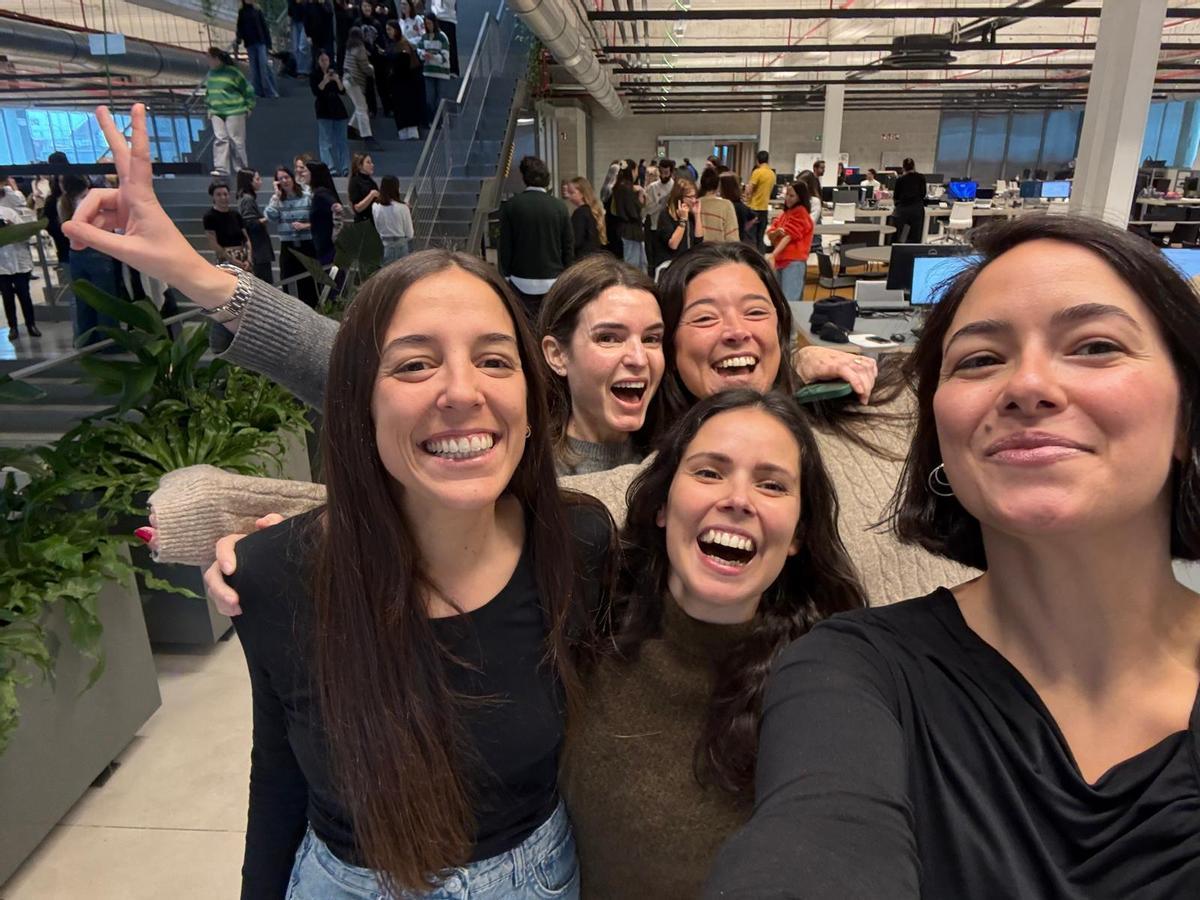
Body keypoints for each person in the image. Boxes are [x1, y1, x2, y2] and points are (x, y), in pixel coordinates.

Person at [706, 215, 1200, 898]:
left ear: (1186, 415)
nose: (1027, 384)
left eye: (1094, 346)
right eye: (979, 359)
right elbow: (817, 842)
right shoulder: (852, 674)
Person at [226, 248, 608, 897]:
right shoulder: (273, 574)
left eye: (494, 360)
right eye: (414, 364)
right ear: (361, 402)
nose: (462, 391)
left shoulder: (579, 546)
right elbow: (279, 777)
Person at [563, 389, 866, 897]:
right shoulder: (584, 618)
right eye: (709, 472)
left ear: (797, 534)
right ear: (663, 505)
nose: (738, 500)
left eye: (771, 485)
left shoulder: (829, 685)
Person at [537, 255, 662, 475]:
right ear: (557, 354)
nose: (639, 359)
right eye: (608, 338)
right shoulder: (531, 475)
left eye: (651, 339)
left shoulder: (675, 460)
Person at [497, 155, 574, 320]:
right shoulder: (559, 207)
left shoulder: (511, 206)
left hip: (520, 278)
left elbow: (505, 245)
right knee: (549, 322)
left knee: (524, 323)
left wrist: (506, 275)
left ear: (524, 177)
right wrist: (567, 274)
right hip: (553, 278)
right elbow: (568, 245)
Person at [60, 173, 123, 344]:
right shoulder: (91, 201)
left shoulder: (64, 203)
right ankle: (110, 341)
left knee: (84, 300)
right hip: (97, 252)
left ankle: (88, 340)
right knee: (105, 299)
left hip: (75, 254)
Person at [265, 165, 318, 307]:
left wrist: (305, 226)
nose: (284, 181)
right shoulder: (277, 199)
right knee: (288, 281)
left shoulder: (307, 196)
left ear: (292, 178)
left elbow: (318, 220)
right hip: (288, 246)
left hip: (306, 244)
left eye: (286, 177)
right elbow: (271, 216)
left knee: (309, 283)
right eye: (280, 179)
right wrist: (276, 196)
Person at [204, 47, 255, 177]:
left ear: (216, 58)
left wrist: (249, 106)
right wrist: (209, 108)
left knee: (236, 140)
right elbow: (208, 93)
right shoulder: (210, 74)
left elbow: (247, 89)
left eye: (209, 57)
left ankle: (242, 169)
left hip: (235, 109)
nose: (208, 60)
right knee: (220, 138)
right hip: (216, 111)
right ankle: (221, 168)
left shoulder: (233, 72)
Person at [0, 181, 40, 339]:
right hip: (2, 265)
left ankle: (31, 324)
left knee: (25, 295)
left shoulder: (9, 212)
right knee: (7, 297)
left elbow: (25, 234)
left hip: (19, 260)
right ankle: (13, 327)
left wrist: (11, 228)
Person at [765, 182, 814, 303]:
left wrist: (773, 255)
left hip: (793, 262)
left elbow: (788, 237)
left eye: (792, 196)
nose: (787, 198)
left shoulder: (801, 212)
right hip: (781, 261)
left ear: (800, 197)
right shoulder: (785, 213)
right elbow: (771, 235)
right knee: (780, 300)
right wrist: (777, 233)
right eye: (787, 194)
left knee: (790, 301)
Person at [310, 50, 350, 176]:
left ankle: (345, 167)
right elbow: (317, 91)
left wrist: (337, 80)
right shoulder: (314, 75)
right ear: (318, 61)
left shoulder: (334, 72)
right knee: (325, 141)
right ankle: (329, 166)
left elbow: (342, 91)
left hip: (338, 109)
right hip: (323, 109)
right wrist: (325, 80)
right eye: (322, 60)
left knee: (342, 141)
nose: (325, 62)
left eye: (326, 60)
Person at [655, 177, 704, 275]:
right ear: (680, 198)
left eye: (695, 196)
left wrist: (697, 214)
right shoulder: (665, 215)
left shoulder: (691, 215)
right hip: (671, 267)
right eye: (690, 197)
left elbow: (699, 241)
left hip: (687, 264)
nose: (694, 200)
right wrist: (682, 221)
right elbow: (673, 245)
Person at [385, 20, 424, 140]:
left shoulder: (403, 44)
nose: (388, 32)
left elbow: (406, 63)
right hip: (396, 84)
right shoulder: (391, 45)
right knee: (399, 108)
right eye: (387, 30)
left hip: (407, 82)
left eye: (390, 29)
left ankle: (412, 132)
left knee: (408, 107)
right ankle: (403, 133)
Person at [236, 169, 275, 284]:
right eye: (257, 179)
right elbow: (250, 223)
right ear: (249, 182)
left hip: (257, 249)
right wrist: (267, 218)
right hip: (258, 249)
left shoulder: (244, 198)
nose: (260, 181)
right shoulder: (247, 199)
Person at [203, 180, 252, 271]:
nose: (223, 197)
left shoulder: (236, 214)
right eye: (219, 195)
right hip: (225, 258)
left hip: (243, 256)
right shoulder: (209, 217)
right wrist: (233, 260)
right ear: (213, 197)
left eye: (225, 194)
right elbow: (213, 244)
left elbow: (246, 239)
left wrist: (249, 259)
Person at [234, 0, 279, 99]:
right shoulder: (242, 12)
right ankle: (258, 91)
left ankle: (270, 91)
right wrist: (238, 39)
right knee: (254, 69)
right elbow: (240, 27)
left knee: (263, 66)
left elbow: (264, 27)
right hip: (250, 43)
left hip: (260, 42)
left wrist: (269, 44)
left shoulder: (257, 10)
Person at [609, 160, 646, 273]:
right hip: (630, 230)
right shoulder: (627, 189)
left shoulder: (619, 186)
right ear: (632, 171)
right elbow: (634, 211)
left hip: (625, 228)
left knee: (636, 262)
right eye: (636, 170)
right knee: (633, 264)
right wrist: (640, 195)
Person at [305, 160, 343, 267]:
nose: (304, 174)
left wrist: (336, 207)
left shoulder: (320, 193)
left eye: (306, 171)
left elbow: (336, 206)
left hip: (326, 246)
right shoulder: (320, 192)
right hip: (325, 246)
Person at [342, 26, 376, 144]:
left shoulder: (349, 47)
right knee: (362, 108)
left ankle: (351, 128)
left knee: (359, 106)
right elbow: (364, 66)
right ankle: (367, 136)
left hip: (347, 79)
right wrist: (372, 69)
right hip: (355, 81)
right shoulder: (360, 48)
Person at [372, 174, 414, 263]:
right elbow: (410, 233)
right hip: (401, 245)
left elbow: (377, 227)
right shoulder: (403, 207)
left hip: (385, 245)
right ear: (396, 189)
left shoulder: (375, 206)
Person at [562, 176, 606, 260]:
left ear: (582, 194)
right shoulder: (592, 210)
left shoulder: (580, 213)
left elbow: (576, 240)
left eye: (572, 192)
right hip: (594, 256)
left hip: (582, 257)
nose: (569, 196)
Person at [418, 12, 452, 120]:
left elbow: (445, 56)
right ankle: (432, 120)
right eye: (426, 24)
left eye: (429, 23)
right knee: (430, 99)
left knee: (440, 99)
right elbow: (419, 50)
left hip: (441, 73)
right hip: (428, 71)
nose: (428, 26)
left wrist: (433, 56)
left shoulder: (442, 37)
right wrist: (423, 55)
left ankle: (441, 121)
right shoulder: (424, 37)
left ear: (434, 23)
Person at [697, 167, 739, 244]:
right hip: (718, 249)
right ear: (718, 186)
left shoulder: (695, 204)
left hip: (698, 249)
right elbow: (732, 238)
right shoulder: (726, 205)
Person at [892, 156, 928, 243]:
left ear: (903, 168)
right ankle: (913, 250)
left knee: (902, 236)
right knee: (916, 235)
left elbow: (896, 196)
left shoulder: (900, 179)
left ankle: (902, 249)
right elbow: (923, 193)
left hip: (903, 210)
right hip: (917, 209)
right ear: (914, 166)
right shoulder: (921, 177)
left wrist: (897, 206)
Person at [745, 151, 776, 251]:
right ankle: (761, 257)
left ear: (757, 160)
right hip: (764, 209)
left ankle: (751, 257)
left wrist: (746, 194)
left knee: (751, 238)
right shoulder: (772, 174)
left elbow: (749, 190)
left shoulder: (757, 172)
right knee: (760, 238)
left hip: (754, 208)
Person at [719, 172, 756, 245]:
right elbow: (753, 217)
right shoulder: (740, 205)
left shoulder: (729, 206)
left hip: (731, 244)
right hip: (738, 242)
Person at [347, 152, 379, 224]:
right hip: (362, 223)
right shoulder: (355, 181)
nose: (372, 165)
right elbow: (357, 208)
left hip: (373, 221)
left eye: (371, 162)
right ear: (360, 166)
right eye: (368, 162)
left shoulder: (372, 182)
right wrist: (371, 195)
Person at [431, 0, 457, 75]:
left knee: (450, 45)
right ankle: (438, 68)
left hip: (448, 18)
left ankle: (453, 70)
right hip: (436, 18)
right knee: (436, 44)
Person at [288, 0, 311, 77]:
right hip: (295, 19)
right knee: (295, 47)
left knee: (302, 46)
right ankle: (298, 69)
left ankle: (303, 70)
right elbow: (290, 6)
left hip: (306, 19)